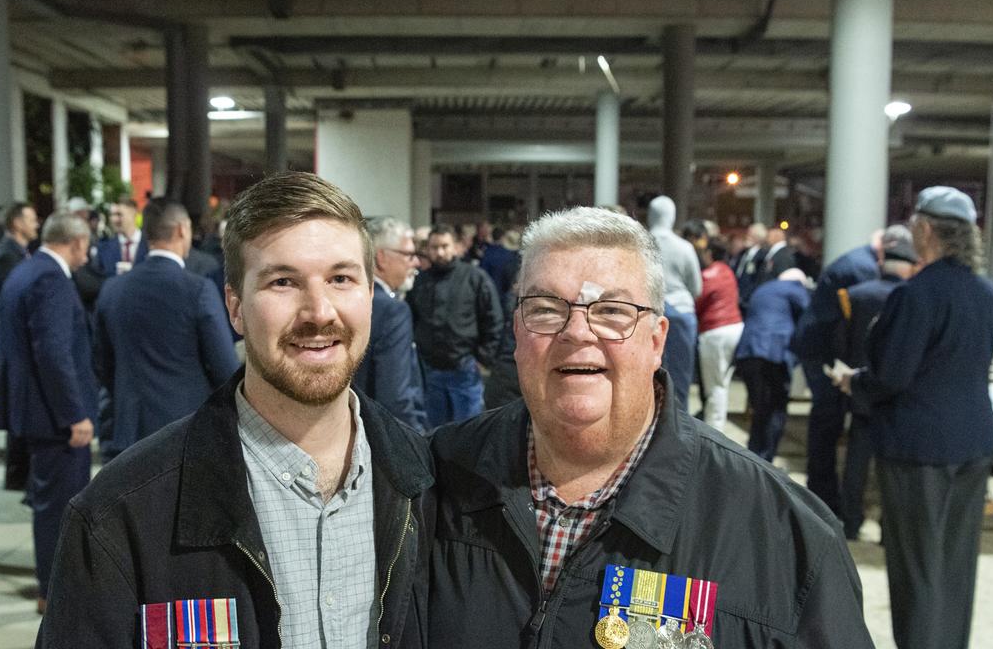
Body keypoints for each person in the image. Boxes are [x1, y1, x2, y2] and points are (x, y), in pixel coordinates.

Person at [428, 207, 871, 648]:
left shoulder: (787, 535)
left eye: (612, 311)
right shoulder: (434, 478)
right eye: (545, 309)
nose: (577, 332)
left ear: (657, 340)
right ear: (517, 334)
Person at [37, 172, 433, 648]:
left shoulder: (431, 489)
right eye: (283, 281)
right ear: (235, 308)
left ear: (370, 296)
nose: (319, 311)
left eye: (341, 279)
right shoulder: (120, 513)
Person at [841, 186, 993, 649]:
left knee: (916, 569)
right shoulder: (985, 293)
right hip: (972, 442)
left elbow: (893, 375)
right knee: (955, 566)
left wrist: (855, 383)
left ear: (926, 230)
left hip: (917, 446)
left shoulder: (915, 294)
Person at [0, 212, 98, 614]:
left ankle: (50, 585)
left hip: (34, 410)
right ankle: (54, 591)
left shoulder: (25, 271)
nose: (87, 257)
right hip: (55, 418)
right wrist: (74, 414)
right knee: (59, 508)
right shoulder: (50, 280)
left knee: (48, 503)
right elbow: (53, 354)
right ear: (73, 243)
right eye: (85, 247)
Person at [93, 198, 239, 461]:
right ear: (182, 230)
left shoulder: (113, 289)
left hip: (129, 428)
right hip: (185, 428)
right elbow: (224, 367)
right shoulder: (198, 289)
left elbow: (103, 364)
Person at [790, 227, 884, 518]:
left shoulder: (859, 261)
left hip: (822, 346)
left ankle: (823, 494)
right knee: (827, 424)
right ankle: (823, 498)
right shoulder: (864, 268)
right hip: (825, 351)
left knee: (826, 424)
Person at [833, 230, 918, 541]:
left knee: (856, 462)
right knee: (891, 468)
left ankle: (852, 522)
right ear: (908, 266)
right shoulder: (912, 299)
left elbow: (840, 343)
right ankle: (887, 529)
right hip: (897, 396)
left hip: (861, 388)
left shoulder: (855, 295)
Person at [406, 225, 503, 427]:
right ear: (428, 249)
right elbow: (412, 318)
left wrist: (483, 357)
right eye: (434, 247)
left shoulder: (474, 278)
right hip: (430, 369)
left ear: (456, 247)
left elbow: (493, 319)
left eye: (444, 246)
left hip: (465, 367)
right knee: (435, 431)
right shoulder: (420, 281)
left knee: (468, 430)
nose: (439, 252)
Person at [354, 216, 427, 431]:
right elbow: (395, 395)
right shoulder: (393, 311)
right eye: (409, 254)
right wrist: (419, 445)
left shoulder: (352, 301)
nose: (416, 262)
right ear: (381, 258)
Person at [0, 202, 39, 494]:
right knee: (18, 410)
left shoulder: (18, 254)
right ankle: (17, 475)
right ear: (16, 222)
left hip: (15, 346)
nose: (37, 223)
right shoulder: (6, 257)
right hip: (13, 348)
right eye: (31, 219)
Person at [734, 268, 810, 462]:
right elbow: (810, 317)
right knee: (776, 409)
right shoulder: (795, 288)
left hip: (747, 352)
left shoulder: (765, 288)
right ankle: (766, 461)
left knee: (760, 408)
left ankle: (753, 458)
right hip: (773, 354)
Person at [645, 195, 701, 413]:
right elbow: (696, 287)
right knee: (681, 375)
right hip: (681, 313)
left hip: (648, 311)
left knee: (646, 374)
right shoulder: (684, 247)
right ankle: (680, 422)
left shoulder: (641, 244)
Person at [694, 236, 743, 430]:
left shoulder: (708, 275)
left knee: (714, 386)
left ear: (709, 253)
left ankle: (714, 431)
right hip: (735, 328)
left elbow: (697, 301)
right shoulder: (729, 272)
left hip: (714, 332)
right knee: (723, 382)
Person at [96, 197, 147, 276]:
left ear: (133, 213)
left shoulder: (151, 245)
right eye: (112, 215)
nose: (114, 219)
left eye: (119, 214)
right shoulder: (103, 248)